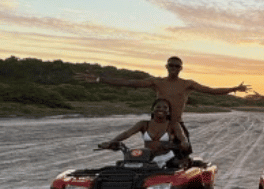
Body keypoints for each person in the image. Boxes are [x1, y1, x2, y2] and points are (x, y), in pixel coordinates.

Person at [77, 56, 249, 144]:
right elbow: (130, 83)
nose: (173, 68)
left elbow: (212, 91)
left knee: (184, 154)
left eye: (177, 66)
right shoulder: (157, 82)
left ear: (181, 68)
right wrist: (100, 79)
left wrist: (234, 89)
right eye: (171, 65)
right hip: (157, 124)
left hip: (177, 125)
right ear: (166, 67)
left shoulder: (187, 84)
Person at [98, 99, 190, 167]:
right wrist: (111, 142)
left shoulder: (174, 125)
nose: (161, 109)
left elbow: (183, 138)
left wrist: (184, 143)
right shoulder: (143, 124)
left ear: (168, 111)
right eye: (158, 107)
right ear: (153, 109)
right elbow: (127, 133)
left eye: (165, 107)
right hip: (147, 158)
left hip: (166, 158)